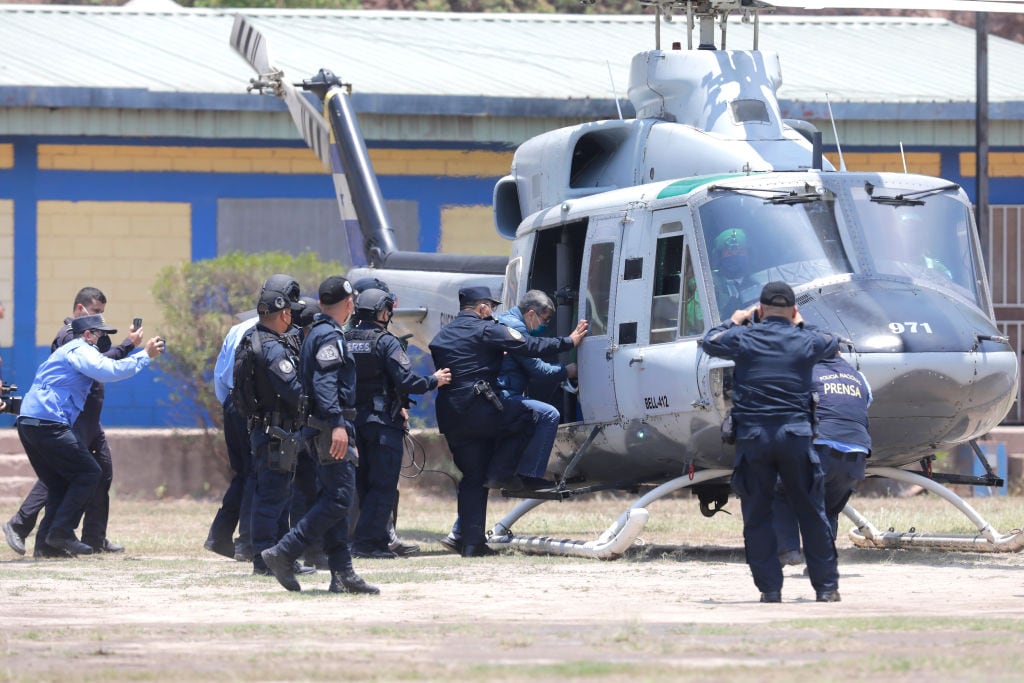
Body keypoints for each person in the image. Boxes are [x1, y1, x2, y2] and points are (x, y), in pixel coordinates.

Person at [701, 281, 841, 603]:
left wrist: (734, 320)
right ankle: (827, 589)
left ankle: (770, 589)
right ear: (793, 311)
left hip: (754, 439)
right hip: (796, 437)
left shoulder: (743, 336)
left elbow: (708, 342)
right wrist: (801, 323)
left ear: (760, 311)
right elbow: (832, 343)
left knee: (758, 514)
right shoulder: (806, 338)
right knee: (811, 512)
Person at [429, 286, 588, 558]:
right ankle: (507, 474)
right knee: (531, 416)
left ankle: (471, 542)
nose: (492, 312)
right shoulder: (487, 329)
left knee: (473, 478)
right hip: (480, 409)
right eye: (490, 307)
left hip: (451, 415)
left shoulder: (443, 335)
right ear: (482, 308)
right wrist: (569, 342)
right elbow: (530, 346)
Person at [4, 287, 143, 557]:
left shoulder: (84, 338)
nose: (100, 323)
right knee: (74, 474)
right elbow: (102, 364)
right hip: (68, 418)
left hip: (84, 417)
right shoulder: (71, 338)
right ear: (81, 311)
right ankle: (31, 528)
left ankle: (88, 537)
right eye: (96, 314)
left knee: (92, 474)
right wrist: (130, 347)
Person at [261, 275, 378, 594]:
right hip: (331, 427)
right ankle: (284, 552)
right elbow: (326, 385)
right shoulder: (329, 336)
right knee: (340, 498)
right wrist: (339, 424)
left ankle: (341, 573)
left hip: (321, 426)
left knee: (334, 498)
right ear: (349, 303)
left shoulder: (317, 332)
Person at [346, 287, 451, 559]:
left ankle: (363, 541)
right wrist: (434, 380)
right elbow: (406, 382)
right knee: (382, 486)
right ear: (383, 312)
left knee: (362, 484)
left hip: (351, 425)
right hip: (381, 424)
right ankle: (368, 545)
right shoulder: (386, 342)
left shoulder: (343, 340)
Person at [773, 349, 872, 566]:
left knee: (779, 491)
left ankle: (787, 550)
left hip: (821, 450)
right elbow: (860, 406)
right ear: (838, 353)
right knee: (826, 505)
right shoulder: (859, 377)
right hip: (857, 455)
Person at [242, 275, 312, 579]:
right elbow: (294, 390)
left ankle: (280, 555)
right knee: (272, 498)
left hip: (272, 431)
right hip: (276, 433)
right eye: (291, 313)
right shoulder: (272, 349)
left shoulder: (255, 337)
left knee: (280, 497)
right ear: (283, 313)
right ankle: (264, 558)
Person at [495, 289, 574, 488]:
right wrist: (567, 371)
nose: (545, 326)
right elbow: (539, 370)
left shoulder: (506, 321)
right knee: (549, 414)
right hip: (502, 394)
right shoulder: (515, 329)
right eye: (544, 320)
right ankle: (529, 476)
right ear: (531, 314)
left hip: (501, 393)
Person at [204, 312, 258, 561]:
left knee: (244, 473)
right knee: (257, 473)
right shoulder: (269, 330)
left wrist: (230, 404)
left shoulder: (237, 328)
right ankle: (247, 543)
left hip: (232, 403)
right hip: (252, 407)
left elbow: (219, 375)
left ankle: (220, 535)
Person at [711, 228, 758, 319]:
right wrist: (724, 316)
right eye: (729, 253)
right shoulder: (708, 284)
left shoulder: (756, 284)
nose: (734, 256)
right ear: (719, 257)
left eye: (739, 252)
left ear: (748, 255)